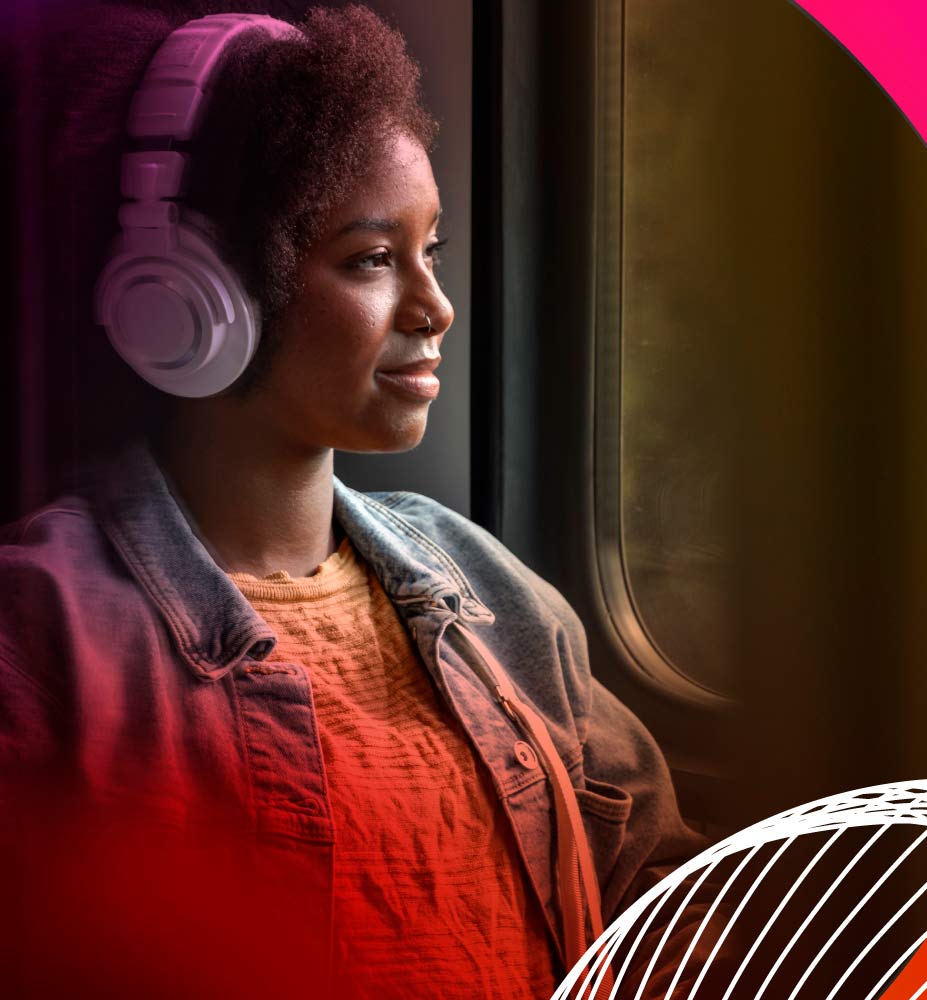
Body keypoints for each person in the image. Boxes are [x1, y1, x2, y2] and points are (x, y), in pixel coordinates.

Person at [0, 6, 704, 997]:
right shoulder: (36, 637)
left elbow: (671, 911)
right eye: (374, 258)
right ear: (193, 294)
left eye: (433, 251)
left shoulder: (504, 603)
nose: (436, 306)